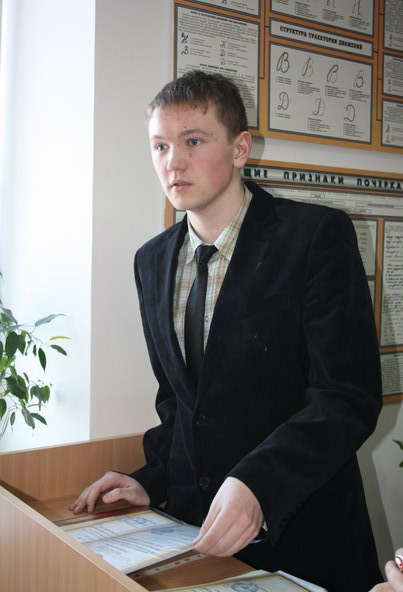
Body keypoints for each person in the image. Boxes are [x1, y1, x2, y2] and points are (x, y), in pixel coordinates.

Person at [70, 70, 383, 591]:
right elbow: (179, 402)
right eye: (160, 146)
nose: (173, 162)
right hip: (198, 537)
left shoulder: (315, 236)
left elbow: (346, 397)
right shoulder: (151, 261)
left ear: (240, 149)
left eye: (193, 141)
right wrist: (152, 479)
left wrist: (260, 483)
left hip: (305, 534)